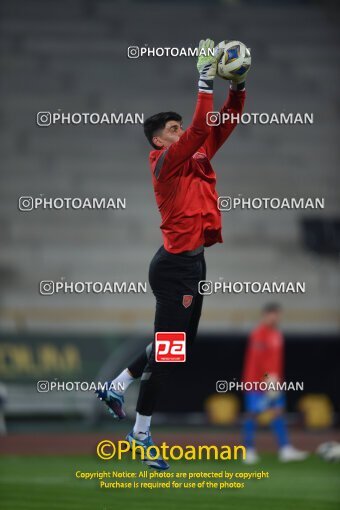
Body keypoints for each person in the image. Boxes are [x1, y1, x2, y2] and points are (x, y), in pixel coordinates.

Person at [97, 39, 247, 470]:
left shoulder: (194, 157)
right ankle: (141, 435)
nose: (182, 132)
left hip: (192, 263)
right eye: (174, 129)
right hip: (175, 268)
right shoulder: (164, 163)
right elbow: (201, 127)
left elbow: (225, 123)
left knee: (179, 347)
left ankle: (117, 384)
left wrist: (238, 87)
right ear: (160, 140)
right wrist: (203, 80)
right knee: (169, 352)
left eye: (181, 127)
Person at [242, 303, 308, 463]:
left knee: (278, 412)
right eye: (272, 314)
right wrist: (267, 379)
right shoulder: (259, 334)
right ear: (265, 315)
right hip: (256, 382)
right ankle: (248, 451)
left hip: (273, 381)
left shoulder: (277, 334)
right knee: (253, 414)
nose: (276, 318)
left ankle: (285, 449)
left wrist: (276, 380)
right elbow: (257, 361)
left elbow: (275, 362)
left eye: (277, 314)